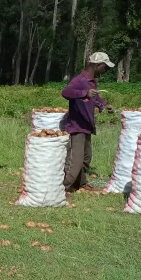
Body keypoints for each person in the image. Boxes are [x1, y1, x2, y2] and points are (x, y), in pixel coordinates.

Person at [61, 52, 115, 192]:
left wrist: (104, 105)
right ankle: (63, 188)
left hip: (86, 125)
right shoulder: (80, 80)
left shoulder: (92, 81)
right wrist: (84, 93)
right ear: (98, 65)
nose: (105, 70)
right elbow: (65, 92)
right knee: (75, 161)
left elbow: (94, 98)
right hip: (76, 126)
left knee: (86, 158)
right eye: (105, 67)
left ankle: (81, 183)